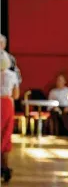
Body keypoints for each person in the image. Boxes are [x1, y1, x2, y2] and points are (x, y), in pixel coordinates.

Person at [0, 51, 20, 182]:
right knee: (6, 135)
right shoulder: (12, 75)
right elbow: (16, 95)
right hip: (6, 104)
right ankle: (5, 168)